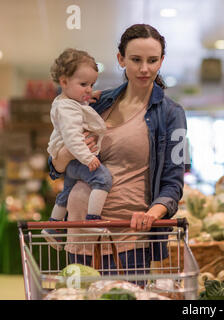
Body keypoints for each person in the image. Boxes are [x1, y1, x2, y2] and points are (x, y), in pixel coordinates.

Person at [47, 24, 187, 276]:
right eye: (135, 59)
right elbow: (55, 167)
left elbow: (173, 181)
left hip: (129, 238)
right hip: (79, 235)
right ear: (120, 59)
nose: (144, 68)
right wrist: (69, 152)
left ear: (162, 61)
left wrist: (153, 214)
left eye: (152, 60)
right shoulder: (97, 102)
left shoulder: (171, 114)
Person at [42, 48, 112, 248]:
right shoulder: (67, 108)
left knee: (67, 190)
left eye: (91, 84)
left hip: (72, 161)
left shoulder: (68, 102)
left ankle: (53, 226)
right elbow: (73, 138)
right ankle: (92, 219)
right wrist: (87, 158)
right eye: (83, 84)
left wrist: (85, 100)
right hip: (77, 158)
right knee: (103, 179)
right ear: (64, 82)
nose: (89, 89)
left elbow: (79, 112)